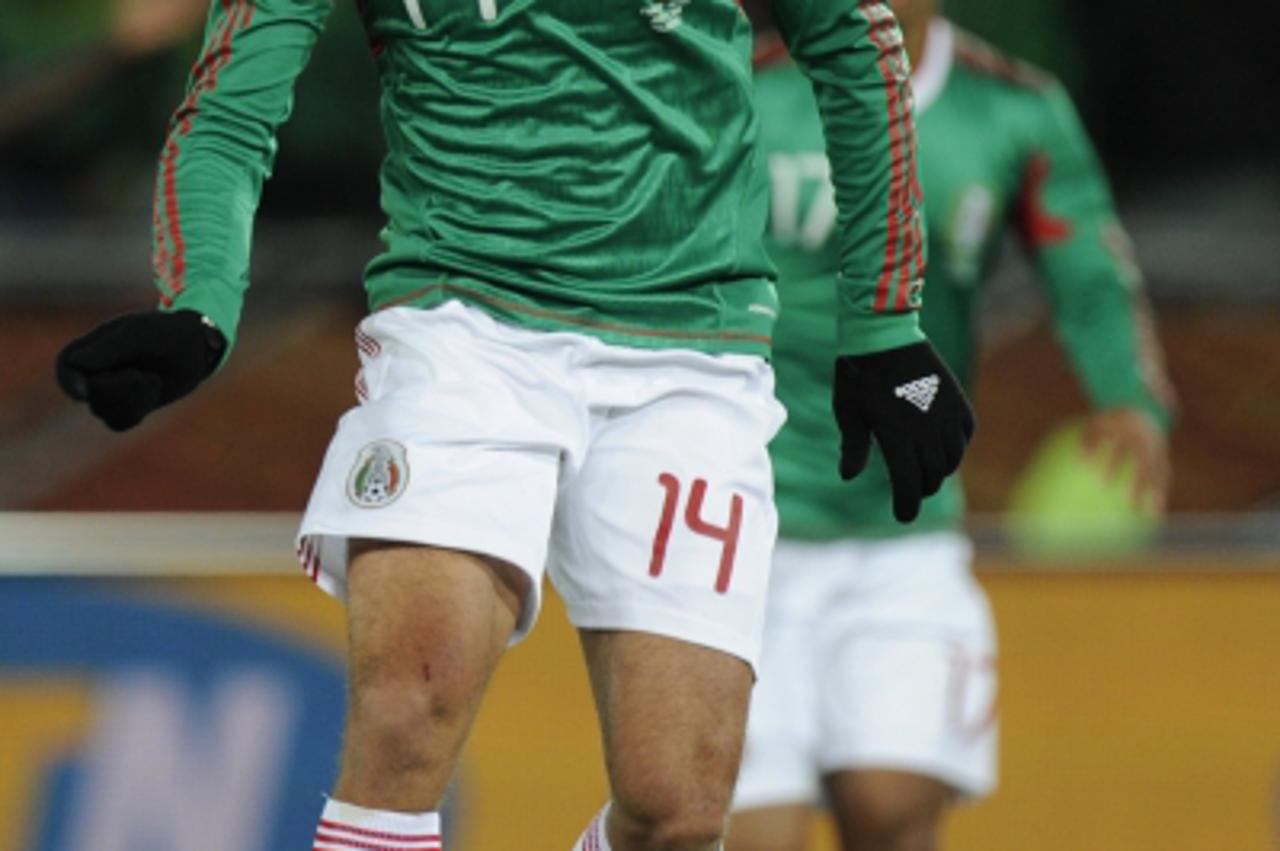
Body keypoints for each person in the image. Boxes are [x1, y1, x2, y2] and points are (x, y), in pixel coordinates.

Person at [54, 2, 976, 849]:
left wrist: (885, 323)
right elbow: (229, 106)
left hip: (693, 349)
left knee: (677, 811)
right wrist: (201, 304)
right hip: (462, 328)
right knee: (410, 709)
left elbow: (854, 38)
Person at [728, 1, 1176, 849]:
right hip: (754, 520)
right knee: (755, 837)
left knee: (892, 809)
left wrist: (1129, 397)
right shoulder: (749, 88)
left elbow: (1090, 273)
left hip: (906, 525)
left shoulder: (1012, 109)